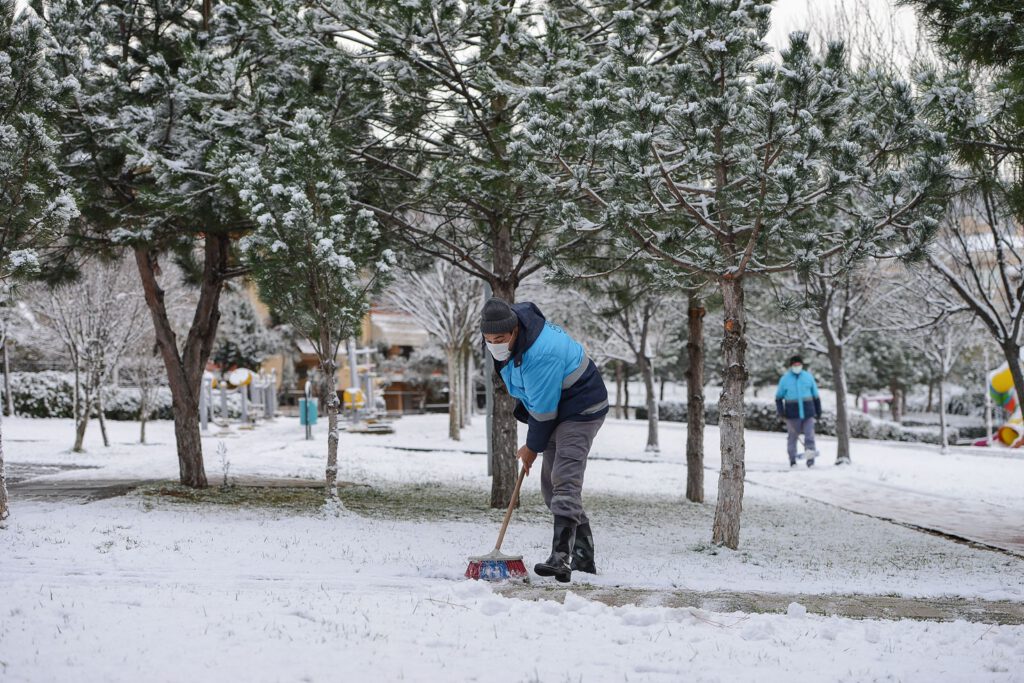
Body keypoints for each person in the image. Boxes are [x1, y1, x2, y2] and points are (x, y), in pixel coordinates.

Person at [480, 296, 608, 583]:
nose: (493, 344)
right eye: (488, 339)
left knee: (565, 477)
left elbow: (544, 408)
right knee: (551, 485)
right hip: (555, 407)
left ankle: (560, 558)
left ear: (514, 331)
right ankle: (584, 558)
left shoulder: (541, 352)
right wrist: (533, 446)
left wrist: (531, 447)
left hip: (581, 407)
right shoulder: (505, 343)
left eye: (499, 338)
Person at [775, 354, 822, 467]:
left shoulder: (808, 377)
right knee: (792, 438)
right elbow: (778, 398)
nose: (797, 366)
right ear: (791, 366)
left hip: (808, 413)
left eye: (799, 364)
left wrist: (818, 410)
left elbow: (815, 395)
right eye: (795, 365)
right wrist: (781, 413)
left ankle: (810, 461)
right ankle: (792, 460)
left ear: (802, 365)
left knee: (809, 437)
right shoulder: (785, 379)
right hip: (792, 414)